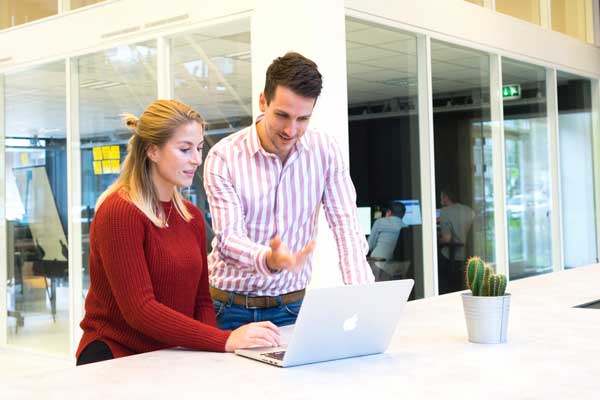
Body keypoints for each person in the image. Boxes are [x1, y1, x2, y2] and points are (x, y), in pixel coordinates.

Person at [76, 100, 280, 366]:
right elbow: (139, 310)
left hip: (170, 355)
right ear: (152, 151)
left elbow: (202, 301)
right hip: (117, 357)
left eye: (199, 148)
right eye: (185, 149)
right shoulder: (120, 212)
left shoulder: (191, 217)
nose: (196, 159)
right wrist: (224, 340)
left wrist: (213, 353)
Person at [204, 52, 374, 330]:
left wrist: (364, 297)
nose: (290, 130)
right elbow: (229, 239)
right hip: (227, 308)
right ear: (263, 101)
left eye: (303, 119)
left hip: (291, 306)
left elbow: (346, 226)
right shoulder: (224, 157)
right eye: (282, 115)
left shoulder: (325, 151)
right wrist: (268, 259)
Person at [437, 188, 474, 294]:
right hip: (468, 254)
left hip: (452, 256)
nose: (441, 200)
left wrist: (437, 239)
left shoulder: (445, 212)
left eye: (441, 197)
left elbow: (446, 239)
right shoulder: (469, 210)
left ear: (446, 197)